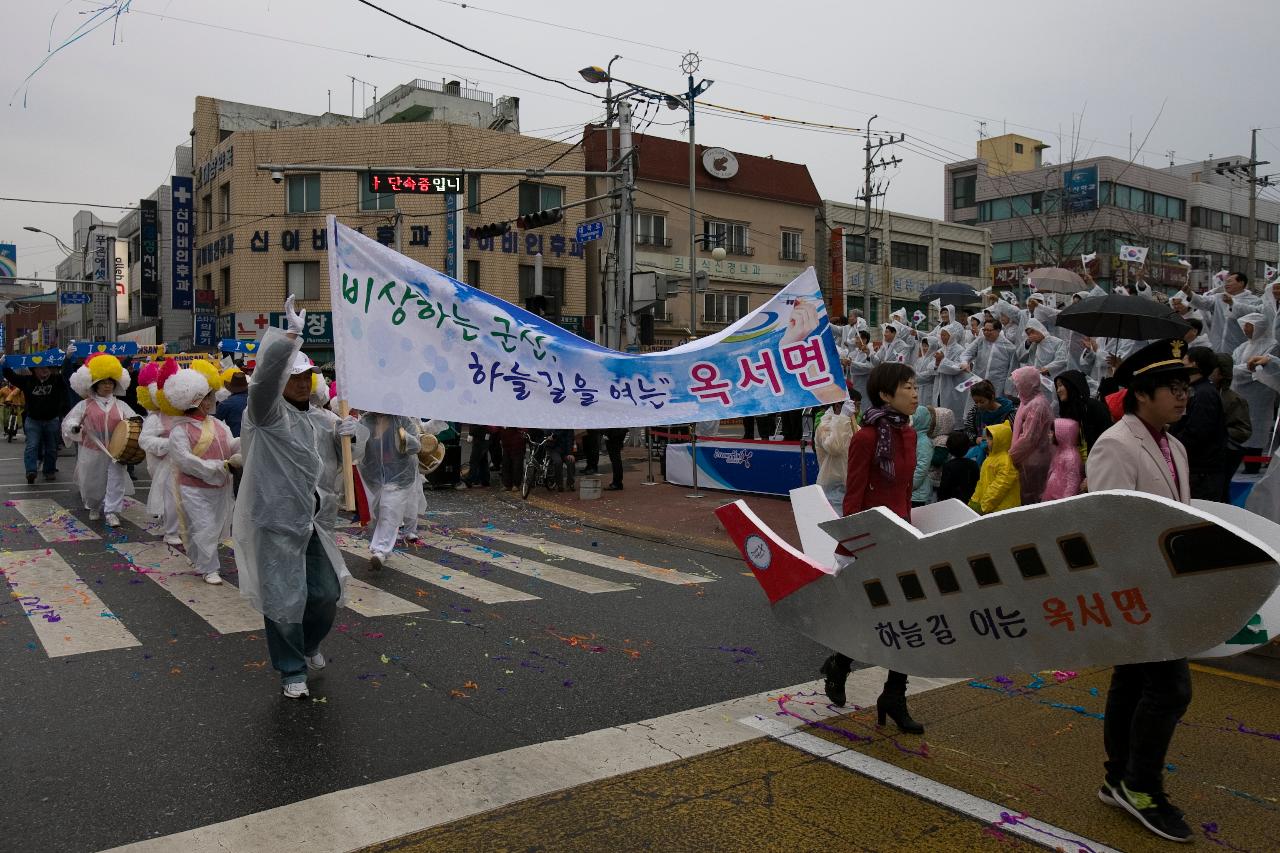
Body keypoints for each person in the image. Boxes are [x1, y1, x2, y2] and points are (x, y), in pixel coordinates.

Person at [1086, 339, 1194, 843]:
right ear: (1141, 393)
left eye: (1185, 386)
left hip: (1165, 588)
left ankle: (1118, 777)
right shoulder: (1117, 443)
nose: (1182, 395)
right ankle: (1141, 785)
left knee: (1132, 683)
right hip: (1135, 592)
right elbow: (1105, 529)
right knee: (1171, 689)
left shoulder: (1175, 446)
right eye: (1172, 387)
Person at [233, 297, 359, 700]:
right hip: (277, 521)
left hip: (315, 524)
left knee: (325, 594)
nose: (302, 383)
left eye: (308, 377)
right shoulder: (265, 416)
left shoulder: (322, 418)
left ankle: (307, 646)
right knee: (284, 599)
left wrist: (354, 432)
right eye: (295, 376)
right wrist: (288, 340)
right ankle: (290, 670)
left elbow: (352, 451)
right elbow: (264, 380)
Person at [819, 362, 924, 735]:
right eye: (907, 387)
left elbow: (906, 491)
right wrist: (854, 543)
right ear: (885, 394)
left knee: (909, 617)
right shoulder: (865, 437)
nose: (915, 393)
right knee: (873, 615)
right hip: (870, 538)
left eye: (916, 386)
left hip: (901, 535)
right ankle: (840, 664)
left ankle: (895, 694)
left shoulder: (910, 434)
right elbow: (854, 496)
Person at [162, 362, 240, 585]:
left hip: (220, 486)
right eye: (207, 397)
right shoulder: (180, 429)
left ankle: (198, 557)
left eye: (211, 396)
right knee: (204, 526)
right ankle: (209, 569)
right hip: (193, 488)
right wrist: (219, 467)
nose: (211, 400)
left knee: (213, 529)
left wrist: (246, 443)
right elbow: (185, 460)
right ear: (194, 400)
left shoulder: (217, 423)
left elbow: (231, 444)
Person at [61, 354, 135, 526]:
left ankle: (111, 512)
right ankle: (94, 506)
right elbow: (71, 420)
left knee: (116, 480)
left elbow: (134, 420)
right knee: (92, 481)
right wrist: (74, 427)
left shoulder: (120, 405)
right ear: (95, 384)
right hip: (92, 448)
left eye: (110, 382)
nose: (108, 385)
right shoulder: (85, 404)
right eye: (103, 382)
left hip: (116, 450)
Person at [357, 412, 423, 571]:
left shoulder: (403, 419)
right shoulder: (366, 421)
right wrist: (349, 435)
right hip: (374, 477)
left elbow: (417, 446)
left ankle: (381, 551)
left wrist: (404, 437)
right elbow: (355, 448)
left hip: (399, 476)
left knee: (390, 510)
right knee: (379, 512)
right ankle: (378, 548)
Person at [1169, 347, 1228, 500]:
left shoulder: (1204, 394)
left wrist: (1172, 445)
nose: (1181, 363)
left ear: (1194, 364)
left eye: (1184, 359)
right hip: (1196, 468)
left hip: (1202, 471)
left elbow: (1197, 431)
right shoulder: (1194, 389)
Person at [136, 362, 182, 546]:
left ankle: (175, 526)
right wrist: (168, 444)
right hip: (161, 462)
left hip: (183, 461)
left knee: (179, 496)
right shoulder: (155, 418)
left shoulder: (183, 414)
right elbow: (144, 440)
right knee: (169, 495)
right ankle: (171, 531)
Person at [3, 362, 68, 484]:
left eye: (47, 367)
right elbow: (12, 376)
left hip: (52, 419)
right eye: (41, 367)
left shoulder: (57, 380)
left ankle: (49, 470)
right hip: (33, 420)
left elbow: (68, 373)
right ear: (34, 370)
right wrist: (4, 364)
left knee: (51, 448)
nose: (45, 370)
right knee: (32, 445)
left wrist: (68, 359)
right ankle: (31, 471)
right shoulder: (27, 380)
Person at [1229, 313, 1278, 470]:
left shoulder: (1273, 345)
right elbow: (1237, 366)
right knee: (1242, 425)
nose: (1245, 328)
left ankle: (1253, 465)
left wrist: (1237, 371)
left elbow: (1262, 368)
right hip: (1240, 393)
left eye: (1249, 325)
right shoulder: (1242, 347)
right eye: (1245, 325)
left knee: (1258, 426)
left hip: (1261, 394)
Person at [1009, 366, 1054, 504]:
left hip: (1032, 460)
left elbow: (1029, 438)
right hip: (1027, 458)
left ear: (1027, 384)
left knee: (1031, 497)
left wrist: (1012, 455)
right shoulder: (1027, 400)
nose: (1016, 388)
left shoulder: (1036, 405)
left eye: (1018, 384)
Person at [1185, 271, 1259, 353]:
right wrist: (1189, 293)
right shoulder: (1219, 297)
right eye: (1226, 282)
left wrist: (1232, 304)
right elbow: (1203, 302)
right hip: (1217, 344)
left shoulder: (1253, 301)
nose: (1226, 284)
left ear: (1241, 283)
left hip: (1239, 344)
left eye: (1229, 281)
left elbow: (1252, 314)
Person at [1214, 352, 1252, 499]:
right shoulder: (1202, 393)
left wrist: (1218, 434)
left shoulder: (1233, 399)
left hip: (1224, 456)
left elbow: (1243, 430)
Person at [1054, 370, 1114, 453]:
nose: (1058, 390)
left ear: (1071, 385)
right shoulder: (1067, 410)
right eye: (1056, 387)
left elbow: (1107, 434)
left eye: (1060, 385)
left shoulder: (1093, 406)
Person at [960, 318, 1018, 398]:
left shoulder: (1009, 347)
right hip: (977, 380)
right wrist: (964, 362)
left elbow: (1013, 370)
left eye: (989, 330)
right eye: (984, 330)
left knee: (993, 405)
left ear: (998, 330)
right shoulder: (980, 341)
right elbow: (967, 353)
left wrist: (1009, 389)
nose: (986, 332)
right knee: (973, 405)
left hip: (996, 385)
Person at [814, 399, 857, 511]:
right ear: (838, 406)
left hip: (852, 485)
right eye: (854, 406)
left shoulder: (852, 425)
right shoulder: (824, 425)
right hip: (833, 488)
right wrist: (843, 417)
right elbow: (834, 447)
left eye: (858, 406)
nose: (856, 410)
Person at [970, 421, 1020, 514]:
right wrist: (975, 501)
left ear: (1001, 440)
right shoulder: (989, 458)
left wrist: (984, 505)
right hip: (992, 509)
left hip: (1004, 510)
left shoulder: (1005, 461)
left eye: (991, 438)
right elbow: (981, 483)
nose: (987, 441)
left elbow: (999, 487)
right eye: (987, 437)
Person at [1041, 418, 1084, 501]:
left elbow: (1072, 486)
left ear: (1061, 434)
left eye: (1052, 432)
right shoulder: (1060, 451)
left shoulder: (1071, 458)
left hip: (1060, 505)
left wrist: (1064, 507)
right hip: (1053, 500)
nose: (1049, 434)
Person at [938, 431, 979, 505]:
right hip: (970, 499)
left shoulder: (948, 466)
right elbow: (976, 482)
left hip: (953, 502)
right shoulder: (973, 464)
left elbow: (944, 488)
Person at [909, 405, 936, 508]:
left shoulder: (923, 442)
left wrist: (911, 485)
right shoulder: (914, 438)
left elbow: (922, 467)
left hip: (917, 493)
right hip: (911, 492)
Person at [215, 369, 249, 438]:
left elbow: (214, 421)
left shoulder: (226, 404)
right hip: (254, 440)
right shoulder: (255, 399)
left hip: (236, 441)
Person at [497, 426, 526, 491]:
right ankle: (507, 484)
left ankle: (516, 484)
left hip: (517, 445)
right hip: (506, 444)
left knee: (517, 466)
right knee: (506, 465)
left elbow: (524, 429)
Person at [604, 427, 627, 491]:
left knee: (615, 460)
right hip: (617, 434)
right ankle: (617, 482)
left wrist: (606, 433)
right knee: (616, 460)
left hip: (614, 435)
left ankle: (617, 483)